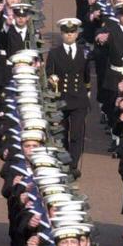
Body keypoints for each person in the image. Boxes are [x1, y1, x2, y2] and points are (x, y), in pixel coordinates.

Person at [44, 18, 90, 177]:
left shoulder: (84, 52)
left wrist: (87, 92)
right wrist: (52, 81)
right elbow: (49, 73)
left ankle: (73, 164)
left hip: (79, 99)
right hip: (61, 98)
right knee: (62, 133)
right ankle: (63, 162)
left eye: (72, 32)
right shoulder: (54, 53)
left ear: (77, 34)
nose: (69, 35)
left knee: (77, 133)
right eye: (66, 32)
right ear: (62, 34)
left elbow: (86, 76)